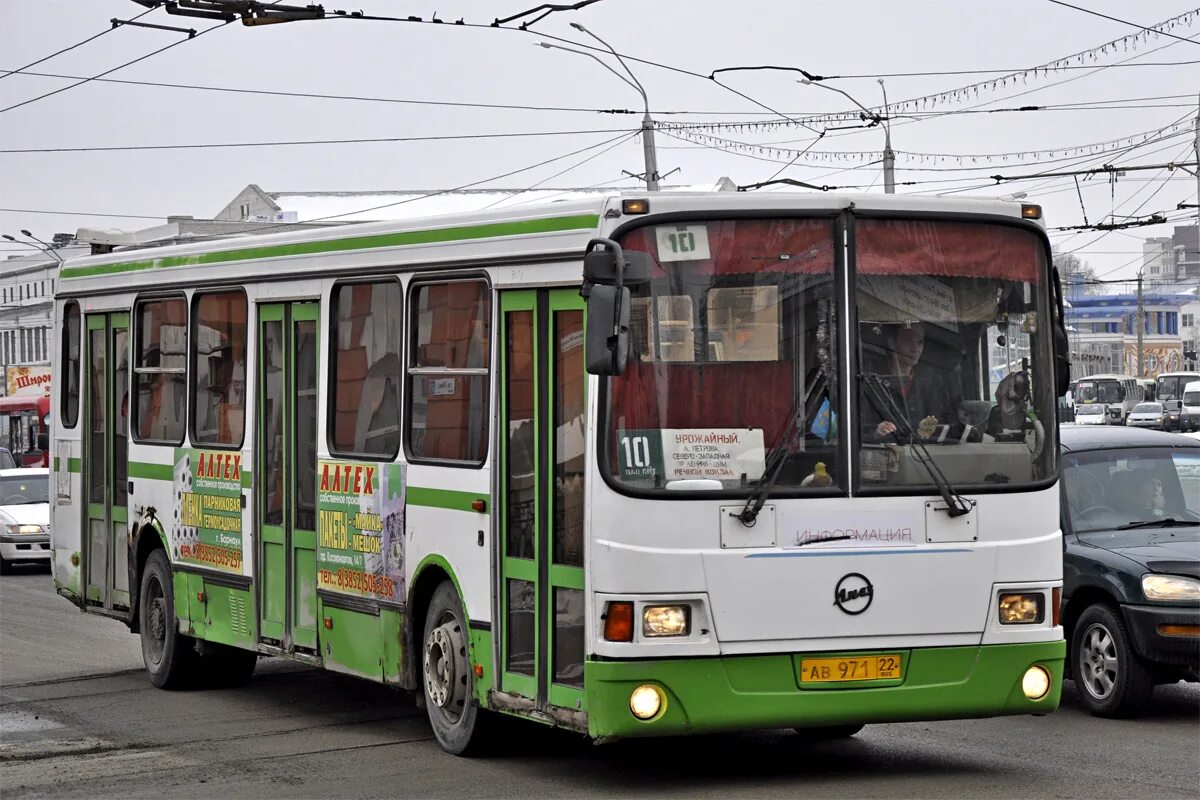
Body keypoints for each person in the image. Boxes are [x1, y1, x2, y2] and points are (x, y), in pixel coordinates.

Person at [861, 322, 965, 442]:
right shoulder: (871, 379)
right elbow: (858, 427)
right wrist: (876, 432)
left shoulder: (932, 381)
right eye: (908, 341)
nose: (915, 348)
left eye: (919, 342)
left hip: (926, 454)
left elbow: (945, 424)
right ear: (892, 343)